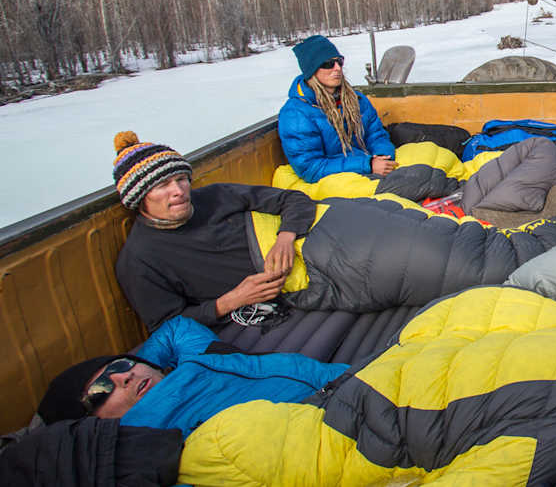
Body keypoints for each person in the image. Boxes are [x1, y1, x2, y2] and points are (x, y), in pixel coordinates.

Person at [112, 131, 316, 330]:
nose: (179, 191)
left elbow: (293, 199)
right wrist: (231, 301)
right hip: (301, 285)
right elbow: (166, 326)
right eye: (163, 185)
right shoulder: (139, 258)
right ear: (139, 198)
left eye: (181, 179)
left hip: (314, 241)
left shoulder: (215, 196)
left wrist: (286, 237)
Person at [35, 316, 346, 436]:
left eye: (118, 367)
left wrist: (147, 367)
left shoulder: (201, 359)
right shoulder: (153, 449)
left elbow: (176, 329)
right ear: (92, 425)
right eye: (101, 391)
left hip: (352, 380)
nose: (124, 378)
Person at [278, 34, 397, 182]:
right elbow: (311, 168)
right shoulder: (296, 114)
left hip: (368, 166)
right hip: (339, 179)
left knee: (424, 168)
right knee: (419, 180)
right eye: (328, 64)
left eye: (339, 62)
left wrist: (382, 156)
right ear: (311, 70)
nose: (338, 68)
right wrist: (367, 165)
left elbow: (376, 135)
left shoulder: (356, 99)